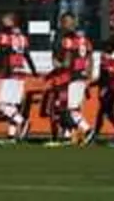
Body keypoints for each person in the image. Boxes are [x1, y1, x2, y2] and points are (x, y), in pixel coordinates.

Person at [0, 14, 37, 143]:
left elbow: (2, 54)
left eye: (6, 19)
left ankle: (22, 122)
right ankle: (11, 136)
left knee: (2, 104)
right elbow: (27, 55)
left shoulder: (4, 35)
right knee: (12, 105)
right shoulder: (23, 37)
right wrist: (33, 70)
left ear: (12, 22)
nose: (3, 21)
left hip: (8, 72)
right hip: (20, 72)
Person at [57, 13, 93, 145]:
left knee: (70, 108)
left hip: (71, 76)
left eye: (68, 21)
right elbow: (90, 59)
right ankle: (69, 136)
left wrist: (59, 66)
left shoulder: (67, 39)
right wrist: (88, 75)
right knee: (73, 107)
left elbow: (67, 60)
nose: (67, 24)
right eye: (66, 21)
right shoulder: (85, 40)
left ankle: (87, 129)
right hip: (81, 76)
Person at [43, 62, 73, 147]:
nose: (53, 63)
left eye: (54, 61)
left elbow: (64, 85)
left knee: (58, 118)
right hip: (58, 96)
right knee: (58, 118)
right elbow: (47, 78)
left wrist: (56, 93)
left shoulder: (64, 72)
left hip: (61, 96)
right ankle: (65, 138)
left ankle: (57, 139)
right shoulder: (56, 71)